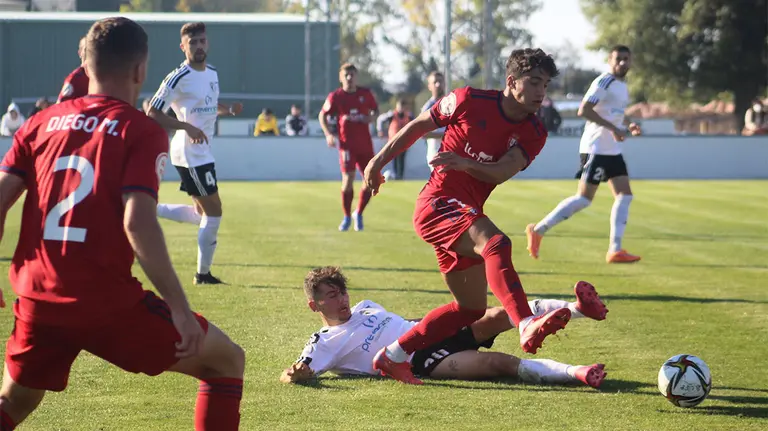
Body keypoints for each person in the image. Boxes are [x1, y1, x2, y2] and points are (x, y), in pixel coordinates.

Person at [0, 17, 244, 431]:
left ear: (87, 65)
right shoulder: (139, 130)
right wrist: (180, 309)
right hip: (105, 303)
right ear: (140, 69)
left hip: (38, 299)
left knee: (15, 401)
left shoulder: (39, 124)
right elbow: (138, 223)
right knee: (226, 361)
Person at [363, 48, 569, 385]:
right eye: (534, 82)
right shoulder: (468, 100)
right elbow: (418, 126)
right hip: (437, 204)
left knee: (470, 309)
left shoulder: (535, 131)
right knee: (496, 243)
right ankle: (525, 322)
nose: (540, 92)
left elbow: (502, 171)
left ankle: (394, 355)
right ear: (511, 81)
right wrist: (377, 161)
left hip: (464, 214)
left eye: (545, 85)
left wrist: (467, 163)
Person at [281, 267, 608, 388]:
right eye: (332, 296)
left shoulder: (366, 306)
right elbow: (294, 372)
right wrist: (296, 375)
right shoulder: (324, 341)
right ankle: (577, 373)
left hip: (427, 331)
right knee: (499, 364)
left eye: (342, 292)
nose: (342, 299)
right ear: (315, 305)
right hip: (421, 359)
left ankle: (578, 309)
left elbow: (400, 323)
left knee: (498, 314)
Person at [146, 22, 244, 285]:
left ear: (207, 43)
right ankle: (202, 274)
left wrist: (228, 110)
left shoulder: (212, 73)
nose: (199, 46)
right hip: (189, 152)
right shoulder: (177, 77)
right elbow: (152, 112)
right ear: (183, 47)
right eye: (193, 43)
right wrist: (186, 126)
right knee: (215, 212)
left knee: (202, 213)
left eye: (202, 41)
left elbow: (209, 105)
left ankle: (149, 209)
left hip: (203, 151)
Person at [526, 45, 642, 264]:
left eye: (626, 59)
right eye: (618, 58)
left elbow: (615, 112)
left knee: (625, 195)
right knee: (584, 199)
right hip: (596, 148)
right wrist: (614, 129)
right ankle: (538, 230)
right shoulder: (604, 81)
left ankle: (615, 250)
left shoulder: (622, 85)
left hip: (612, 150)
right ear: (609, 60)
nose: (622, 62)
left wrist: (628, 123)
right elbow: (585, 110)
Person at [318, 63, 379, 232]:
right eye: (346, 75)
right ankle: (346, 216)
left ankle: (358, 213)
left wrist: (370, 118)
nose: (349, 78)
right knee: (348, 180)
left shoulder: (365, 94)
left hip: (365, 145)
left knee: (371, 180)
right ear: (341, 77)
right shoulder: (336, 96)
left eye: (352, 74)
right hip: (347, 146)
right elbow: (323, 115)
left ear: (356, 76)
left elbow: (375, 111)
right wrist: (328, 134)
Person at [376, 98, 415, 180]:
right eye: (400, 106)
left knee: (401, 159)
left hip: (404, 141)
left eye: (404, 106)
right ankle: (396, 175)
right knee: (394, 158)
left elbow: (415, 124)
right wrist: (380, 130)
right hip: (393, 141)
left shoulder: (409, 115)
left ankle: (400, 176)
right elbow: (380, 119)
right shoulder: (391, 115)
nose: (402, 108)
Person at [421, 71, 447, 170]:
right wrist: (445, 135)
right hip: (436, 152)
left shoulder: (451, 103)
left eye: (440, 81)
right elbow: (423, 134)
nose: (438, 84)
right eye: (435, 82)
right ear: (429, 86)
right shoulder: (428, 108)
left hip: (453, 151)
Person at [57, 36, 89, 103]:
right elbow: (60, 105)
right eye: (87, 49)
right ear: (80, 53)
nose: (90, 53)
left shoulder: (102, 77)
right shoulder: (75, 79)